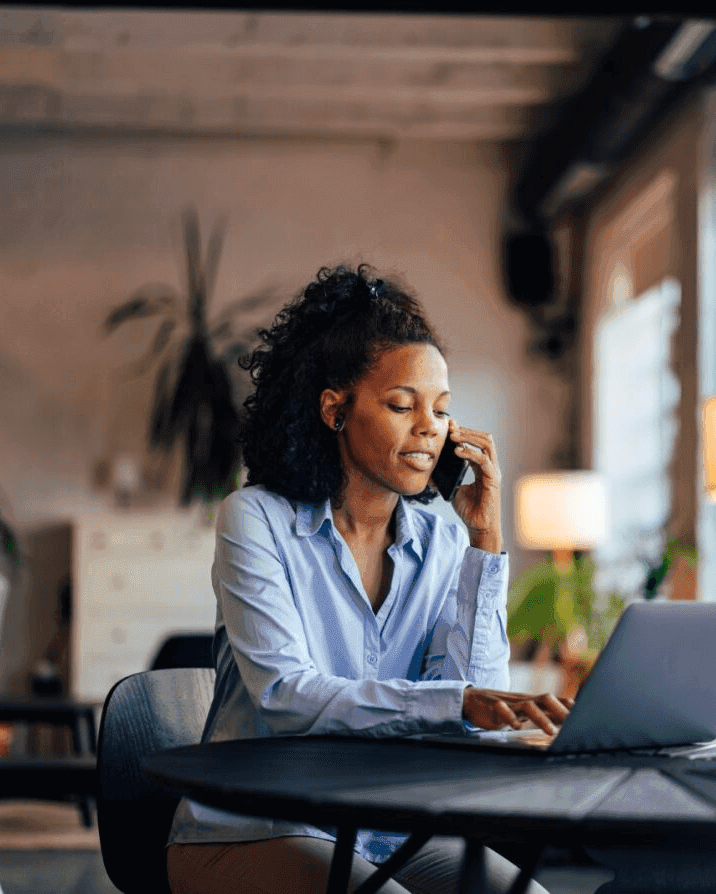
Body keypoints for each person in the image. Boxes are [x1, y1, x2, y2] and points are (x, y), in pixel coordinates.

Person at [166, 264, 571, 894]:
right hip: (256, 829)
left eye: (441, 410)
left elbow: (478, 702)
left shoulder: (440, 539)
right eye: (401, 405)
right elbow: (285, 696)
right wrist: (456, 702)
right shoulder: (255, 519)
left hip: (392, 833)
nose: (429, 428)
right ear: (335, 410)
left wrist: (485, 543)